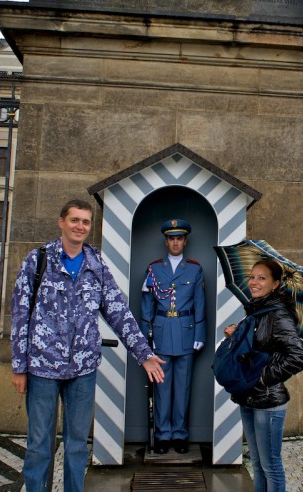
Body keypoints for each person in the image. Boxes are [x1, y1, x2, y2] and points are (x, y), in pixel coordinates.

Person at [10, 199, 165, 492]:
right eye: (74, 220)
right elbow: (20, 315)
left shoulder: (96, 265)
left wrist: (143, 354)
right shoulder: (38, 260)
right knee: (39, 445)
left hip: (82, 369)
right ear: (61, 222)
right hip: (42, 367)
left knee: (78, 446)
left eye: (85, 222)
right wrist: (19, 366)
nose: (80, 226)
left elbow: (119, 312)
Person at [223, 259, 303, 492]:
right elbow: (258, 346)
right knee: (257, 464)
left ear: (275, 284)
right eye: (252, 277)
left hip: (268, 401)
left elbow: (297, 357)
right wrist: (236, 334)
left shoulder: (278, 314)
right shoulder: (256, 309)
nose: (254, 282)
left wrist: (262, 377)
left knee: (271, 465)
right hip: (248, 397)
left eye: (261, 278)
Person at [140, 219, 206, 454]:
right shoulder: (154, 268)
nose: (175, 242)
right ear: (166, 241)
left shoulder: (195, 269)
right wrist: (147, 336)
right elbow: (146, 304)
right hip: (161, 331)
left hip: (187, 331)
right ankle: (162, 435)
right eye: (171, 238)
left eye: (179, 238)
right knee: (162, 387)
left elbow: (200, 303)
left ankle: (179, 434)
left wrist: (200, 332)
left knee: (183, 387)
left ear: (185, 241)